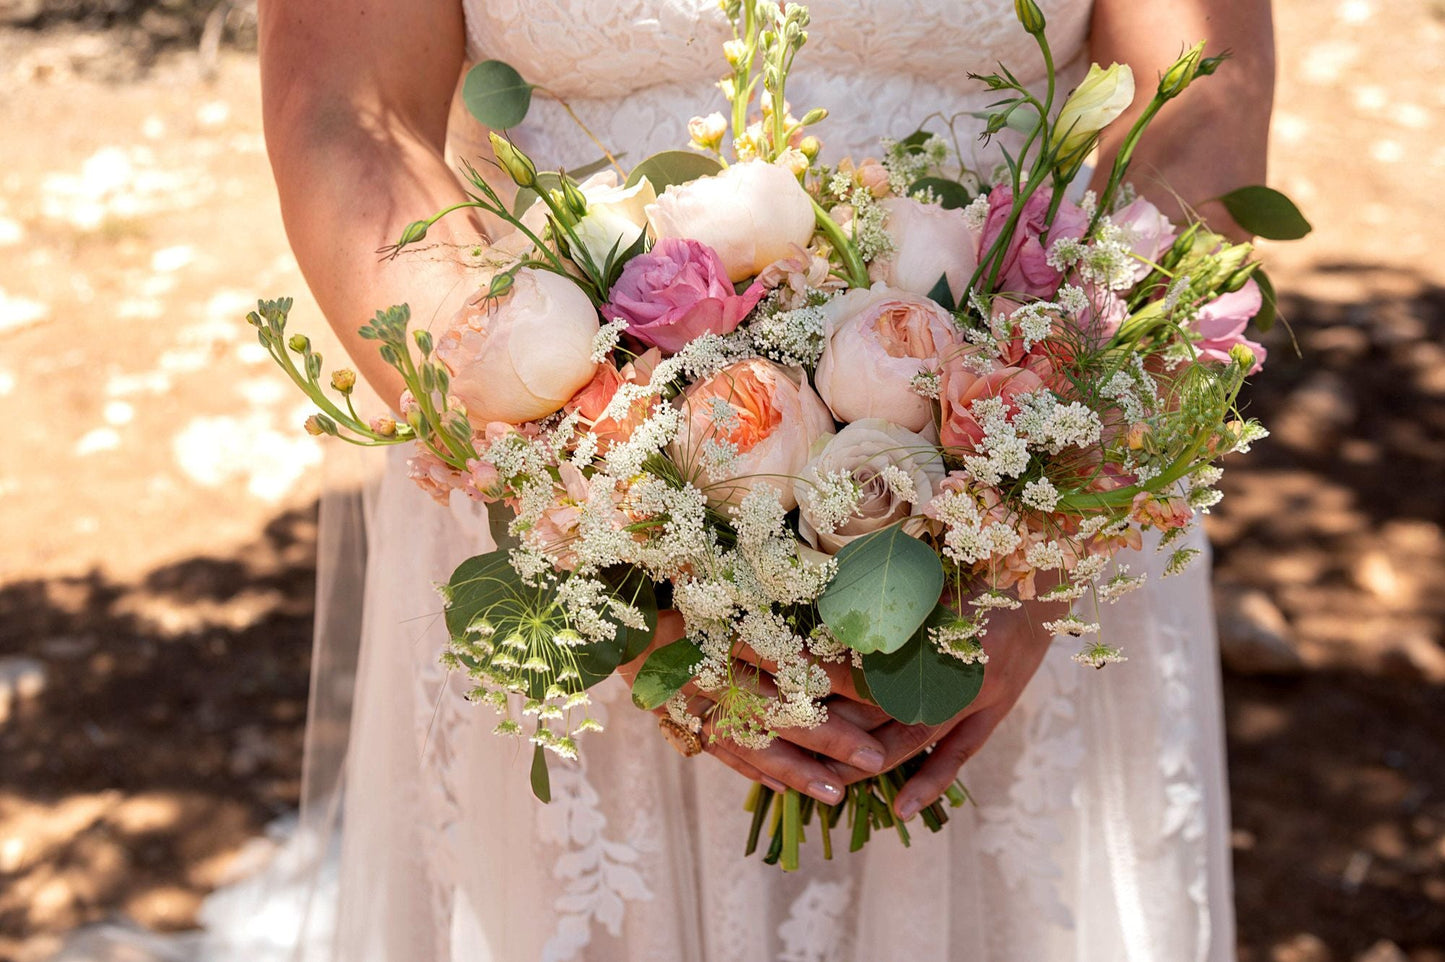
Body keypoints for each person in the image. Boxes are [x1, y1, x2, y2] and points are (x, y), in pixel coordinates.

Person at [255, 1, 1274, 959]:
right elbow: (349, 117)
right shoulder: (590, 525)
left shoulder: (1030, 529)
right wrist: (608, 539)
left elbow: (1196, 109)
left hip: (1022, 507)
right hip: (568, 490)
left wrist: (1034, 542)